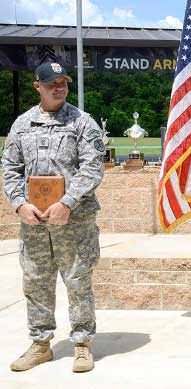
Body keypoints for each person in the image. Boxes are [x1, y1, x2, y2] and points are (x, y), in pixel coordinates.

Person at [2, 62, 105, 373]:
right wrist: (19, 204)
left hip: (74, 222)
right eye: (51, 83)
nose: (58, 87)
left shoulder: (82, 123)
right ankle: (41, 343)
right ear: (37, 86)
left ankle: (82, 344)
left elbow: (92, 168)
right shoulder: (21, 125)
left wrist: (68, 202)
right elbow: (10, 170)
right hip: (34, 223)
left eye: (63, 82)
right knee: (36, 282)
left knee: (77, 281)